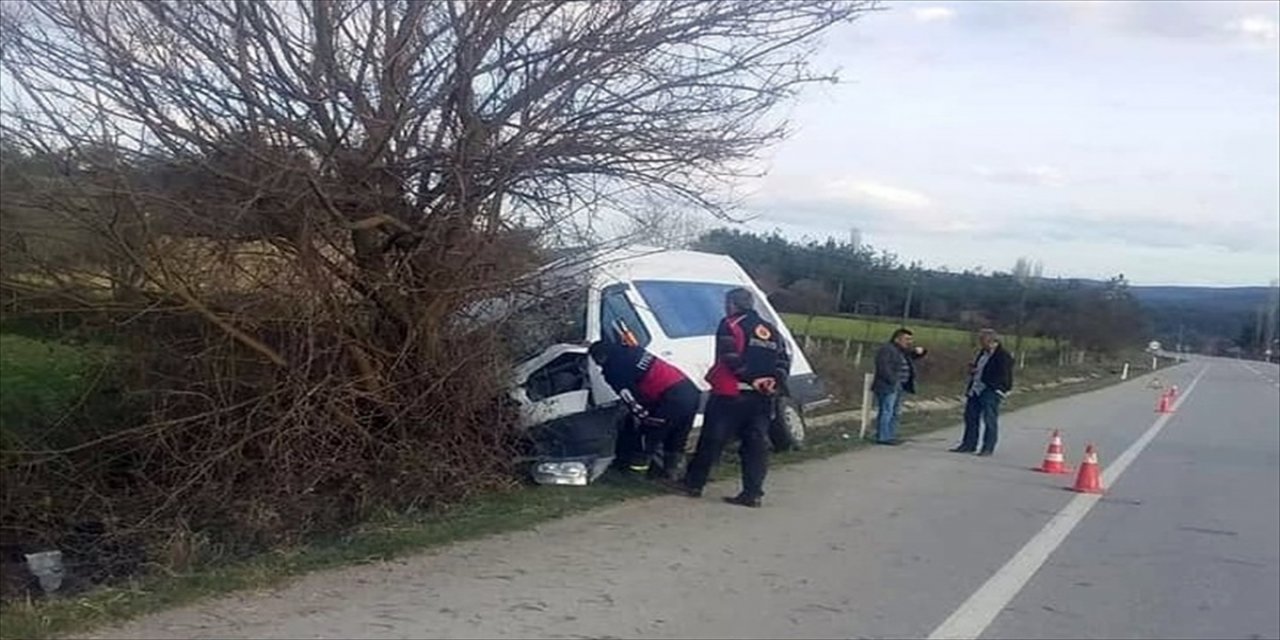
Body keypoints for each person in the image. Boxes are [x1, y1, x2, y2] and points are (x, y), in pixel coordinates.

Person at [682, 287, 791, 508]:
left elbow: (730, 356)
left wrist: (752, 379)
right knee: (755, 444)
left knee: (712, 439)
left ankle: (694, 484)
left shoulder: (730, 324)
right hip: (762, 396)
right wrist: (773, 380)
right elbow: (783, 359)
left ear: (731, 304)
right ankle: (753, 493)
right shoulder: (770, 329)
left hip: (731, 392)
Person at [588, 340, 700, 481]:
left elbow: (629, 397)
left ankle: (635, 475)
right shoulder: (633, 350)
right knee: (677, 438)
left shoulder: (613, 369)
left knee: (645, 439)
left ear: (601, 357)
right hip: (689, 389)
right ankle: (673, 474)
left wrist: (645, 417)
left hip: (670, 398)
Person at [951, 328, 1014, 456]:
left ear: (991, 340)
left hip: (990, 390)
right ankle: (969, 444)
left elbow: (1004, 375)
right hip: (976, 389)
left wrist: (997, 389)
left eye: (983, 340)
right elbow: (980, 368)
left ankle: (987, 447)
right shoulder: (982, 353)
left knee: (989, 419)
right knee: (970, 417)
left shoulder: (1003, 356)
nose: (981, 343)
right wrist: (973, 370)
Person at [871, 328, 927, 445]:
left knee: (896, 412)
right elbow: (883, 367)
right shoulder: (887, 349)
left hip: (900, 386)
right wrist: (893, 381)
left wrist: (921, 352)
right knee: (887, 411)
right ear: (897, 339)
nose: (909, 342)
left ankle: (891, 435)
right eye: (906, 339)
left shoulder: (902, 351)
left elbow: (912, 357)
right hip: (888, 386)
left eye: (910, 339)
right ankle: (883, 437)